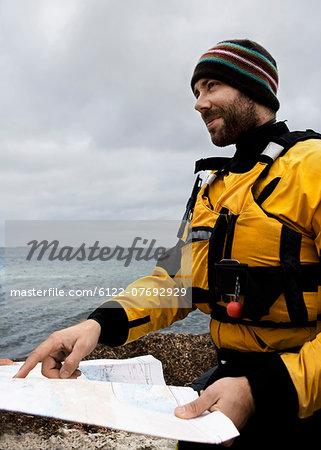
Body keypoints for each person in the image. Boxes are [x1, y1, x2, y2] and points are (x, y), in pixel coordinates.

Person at [15, 40, 321, 449]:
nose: (199, 103)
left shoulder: (312, 166)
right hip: (226, 379)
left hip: (299, 391)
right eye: (196, 92)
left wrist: (259, 391)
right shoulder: (213, 188)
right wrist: (95, 325)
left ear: (254, 89)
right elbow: (173, 284)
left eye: (211, 86)